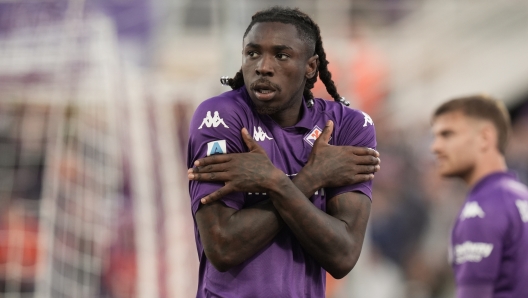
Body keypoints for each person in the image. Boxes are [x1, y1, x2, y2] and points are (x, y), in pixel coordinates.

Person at [187, 6, 380, 297]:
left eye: (281, 55)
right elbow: (223, 246)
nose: (263, 66)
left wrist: (273, 182)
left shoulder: (346, 126)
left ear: (311, 67)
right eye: (252, 53)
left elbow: (342, 256)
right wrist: (309, 180)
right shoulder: (220, 116)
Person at [430, 95, 528, 298]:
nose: (436, 147)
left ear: (484, 138)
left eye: (448, 135)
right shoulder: (520, 195)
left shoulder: (481, 211)